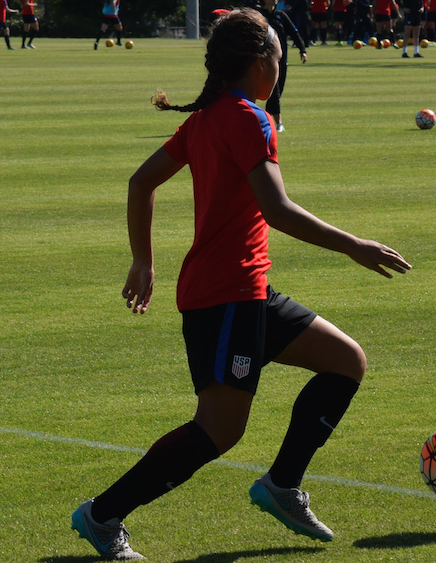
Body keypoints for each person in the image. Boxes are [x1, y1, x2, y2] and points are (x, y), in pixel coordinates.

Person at [69, 8, 411, 561]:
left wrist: (143, 261)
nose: (281, 66)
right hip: (224, 295)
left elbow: (141, 182)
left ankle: (281, 485)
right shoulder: (244, 118)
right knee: (218, 431)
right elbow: (275, 209)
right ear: (261, 64)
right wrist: (354, 245)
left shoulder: (209, 117)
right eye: (278, 56)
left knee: (346, 361)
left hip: (247, 291)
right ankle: (103, 515)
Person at [254, 0, 307, 133]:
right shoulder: (259, 16)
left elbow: (294, 32)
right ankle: (279, 123)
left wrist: (302, 50)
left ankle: (264, 120)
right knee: (275, 91)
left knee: (277, 92)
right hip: (265, 60)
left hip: (282, 59)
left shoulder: (281, 16)